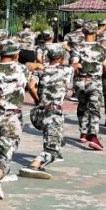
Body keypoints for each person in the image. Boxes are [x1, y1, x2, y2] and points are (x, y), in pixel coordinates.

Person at [0, 40, 35, 199]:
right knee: (7, 148)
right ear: (16, 55)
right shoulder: (22, 69)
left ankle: (2, 170)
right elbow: (31, 84)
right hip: (11, 116)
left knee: (2, 142)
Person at [20, 44, 73, 180]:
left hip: (40, 111)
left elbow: (31, 86)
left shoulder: (40, 71)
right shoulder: (67, 70)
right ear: (62, 58)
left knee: (51, 135)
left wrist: (38, 100)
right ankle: (35, 165)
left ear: (47, 57)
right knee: (53, 151)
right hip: (54, 112)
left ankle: (55, 142)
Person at [71, 21, 106, 150]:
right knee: (94, 109)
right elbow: (105, 65)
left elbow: (74, 65)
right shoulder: (101, 48)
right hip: (95, 81)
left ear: (83, 32)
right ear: (96, 32)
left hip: (80, 81)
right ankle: (94, 136)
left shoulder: (77, 47)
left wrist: (78, 74)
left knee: (82, 106)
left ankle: (83, 133)